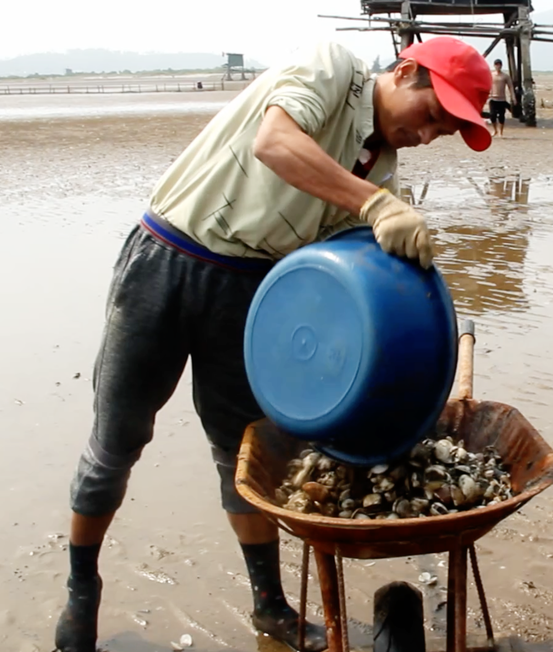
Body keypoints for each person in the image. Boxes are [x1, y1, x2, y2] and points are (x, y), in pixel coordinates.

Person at [55, 36, 492, 652]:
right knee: (117, 441)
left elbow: (335, 279)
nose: (428, 135)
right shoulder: (333, 72)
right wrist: (374, 205)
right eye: (431, 115)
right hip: (167, 258)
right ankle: (81, 591)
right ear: (406, 71)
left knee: (241, 455)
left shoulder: (382, 168)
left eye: (445, 132)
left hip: (250, 294)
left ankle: (269, 604)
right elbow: (275, 144)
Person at [487, 58, 515, 137]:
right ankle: (495, 130)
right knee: (492, 115)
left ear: (501, 66)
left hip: (502, 99)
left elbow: (510, 87)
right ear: (494, 66)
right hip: (493, 98)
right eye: (496, 65)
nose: (497, 66)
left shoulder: (505, 76)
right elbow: (486, 85)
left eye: (499, 65)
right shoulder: (491, 75)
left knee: (501, 116)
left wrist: (513, 97)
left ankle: (501, 132)